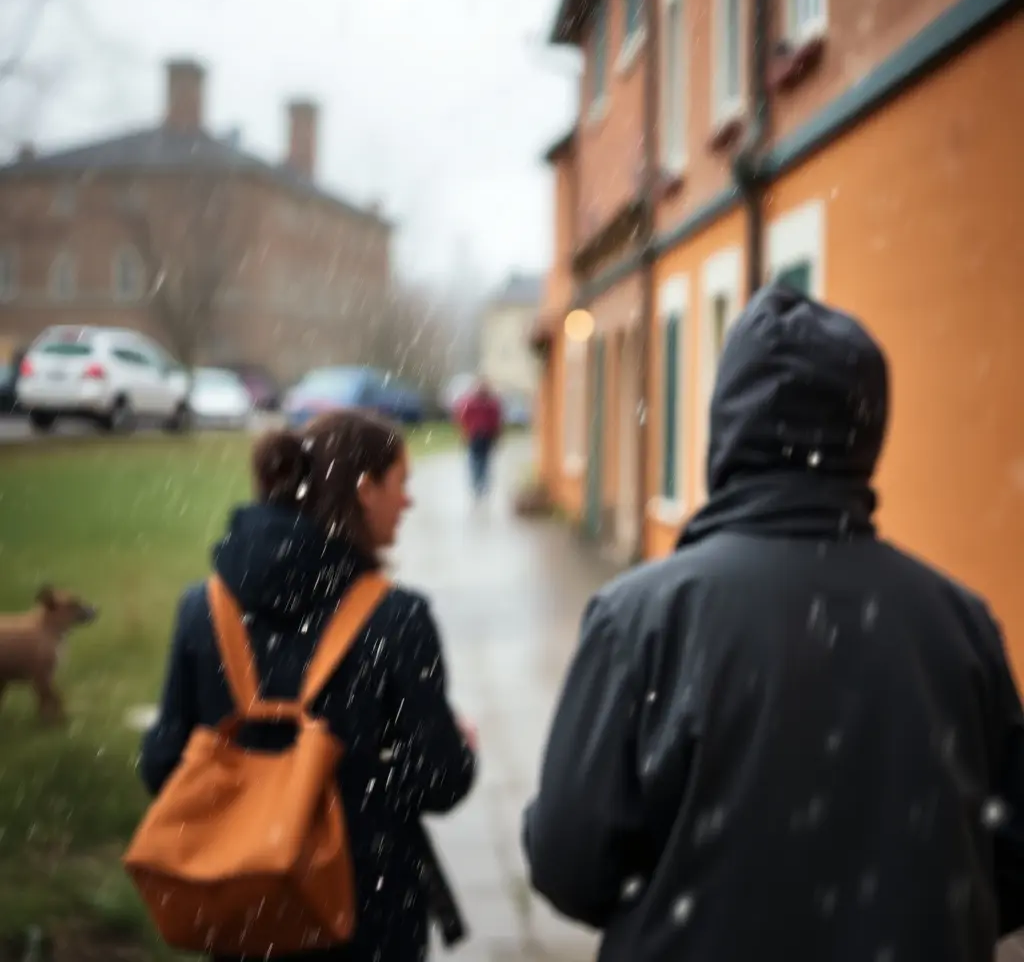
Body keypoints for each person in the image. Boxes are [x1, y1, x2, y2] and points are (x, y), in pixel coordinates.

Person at [522, 283, 1024, 961]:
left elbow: (569, 861)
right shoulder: (960, 623)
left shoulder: (643, 618)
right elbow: (1009, 859)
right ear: (867, 428)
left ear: (728, 426)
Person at [139, 409, 477, 962]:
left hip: (245, 910)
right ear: (365, 490)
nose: (408, 501)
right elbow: (441, 781)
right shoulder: (397, 618)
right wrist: (448, 746)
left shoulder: (203, 609)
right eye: (401, 483)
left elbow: (161, 766)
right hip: (366, 914)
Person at [454, 378, 503, 499]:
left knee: (483, 462)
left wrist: (497, 435)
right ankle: (477, 484)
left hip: (485, 436)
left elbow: (496, 421)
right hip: (475, 436)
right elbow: (462, 418)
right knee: (476, 462)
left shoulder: (490, 404)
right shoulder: (472, 403)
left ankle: (481, 485)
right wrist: (464, 433)